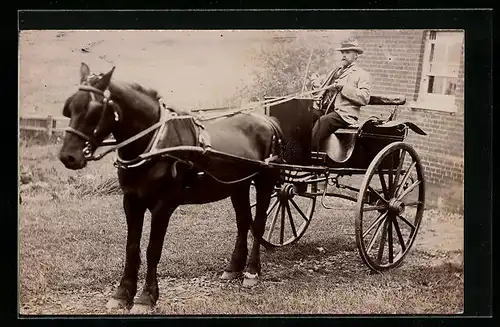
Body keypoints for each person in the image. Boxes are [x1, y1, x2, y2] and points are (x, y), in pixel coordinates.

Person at [311, 37, 372, 152]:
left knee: (323, 121)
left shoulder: (361, 74)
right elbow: (323, 92)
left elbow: (365, 98)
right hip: (325, 111)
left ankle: (312, 157)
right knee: (304, 116)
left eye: (347, 52)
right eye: (342, 52)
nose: (343, 55)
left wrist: (344, 88)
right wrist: (317, 85)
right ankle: (294, 153)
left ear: (356, 55)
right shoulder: (335, 71)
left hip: (343, 114)